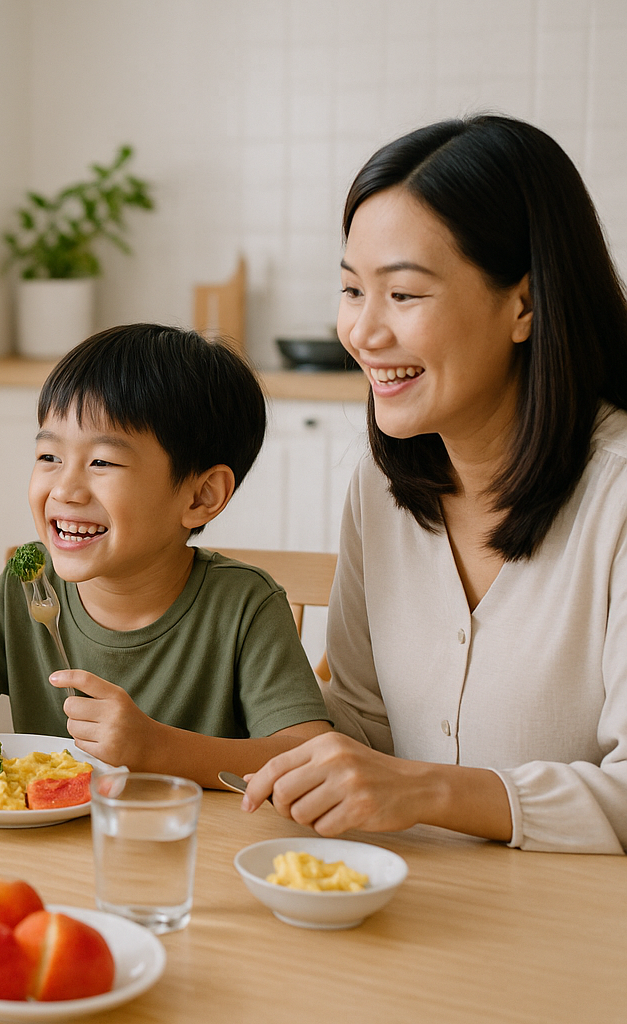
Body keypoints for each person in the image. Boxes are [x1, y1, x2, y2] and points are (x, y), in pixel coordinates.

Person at [242, 116, 627, 855]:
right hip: (408, 907)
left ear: (524, 303)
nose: (362, 332)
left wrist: (427, 789)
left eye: (404, 295)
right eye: (353, 290)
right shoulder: (383, 486)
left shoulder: (615, 498)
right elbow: (359, 720)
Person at [0, 325, 332, 785]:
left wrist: (157, 749)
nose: (64, 488)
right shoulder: (30, 584)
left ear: (200, 496)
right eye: (49, 457)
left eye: (102, 461)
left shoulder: (245, 608)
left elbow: (308, 758)